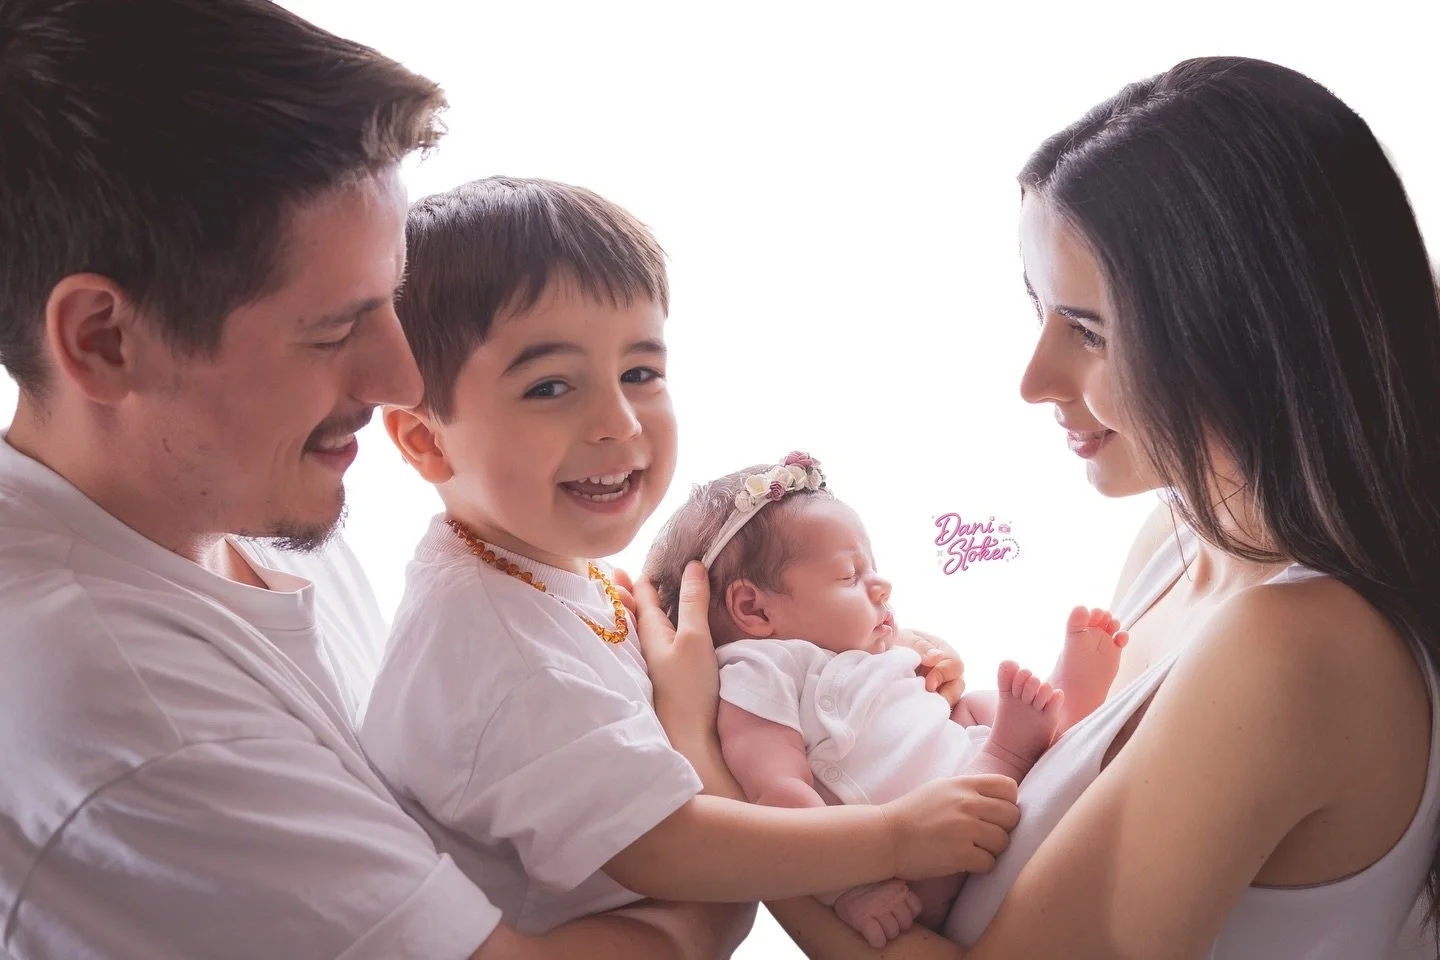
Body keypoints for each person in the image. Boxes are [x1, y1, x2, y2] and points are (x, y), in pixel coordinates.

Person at [635, 56, 1440, 957]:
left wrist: (707, 766)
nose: (1034, 380)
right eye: (1042, 315)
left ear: (1243, 335)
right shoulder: (1176, 543)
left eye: (1088, 330)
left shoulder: (1296, 648)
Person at [0, 2, 753, 956]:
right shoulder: (128, 709)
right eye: (334, 327)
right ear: (105, 341)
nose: (401, 380)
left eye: (391, 303)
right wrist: (709, 796)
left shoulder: (237, 502)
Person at [359, 176, 1023, 940]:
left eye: (641, 373)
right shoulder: (503, 655)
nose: (617, 422)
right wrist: (895, 837)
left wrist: (876, 658)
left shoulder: (547, 563)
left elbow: (727, 677)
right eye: (549, 386)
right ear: (424, 439)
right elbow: (670, 847)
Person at [641, 452, 1126, 946]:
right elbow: (779, 796)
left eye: (872, 568)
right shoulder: (759, 670)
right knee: (994, 739)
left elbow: (923, 705)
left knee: (974, 704)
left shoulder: (855, 649)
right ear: (753, 609)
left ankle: (1057, 717)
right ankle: (1015, 750)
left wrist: (920, 655)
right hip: (926, 864)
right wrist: (847, 888)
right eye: (850, 577)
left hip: (953, 776)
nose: (881, 585)